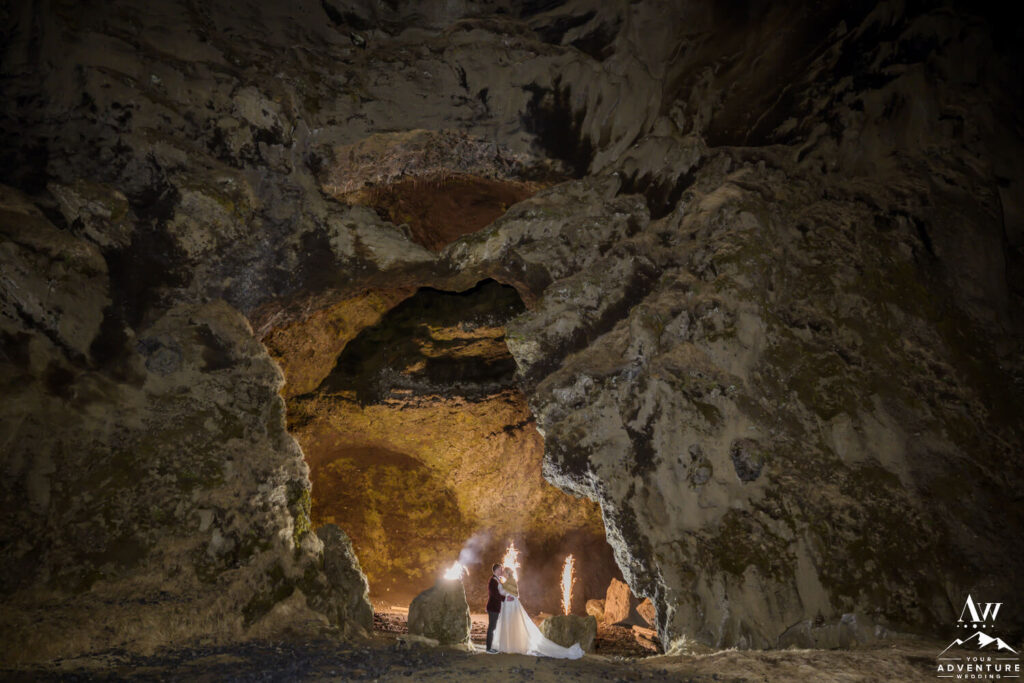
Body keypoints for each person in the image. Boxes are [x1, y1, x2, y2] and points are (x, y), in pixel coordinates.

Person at [492, 566, 584, 658]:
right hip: (508, 604)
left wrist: (510, 596)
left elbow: (516, 593)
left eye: (504, 572)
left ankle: (511, 646)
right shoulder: (507, 580)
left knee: (512, 623)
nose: (502, 573)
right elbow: (508, 591)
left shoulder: (511, 580)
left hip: (511, 604)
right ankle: (508, 645)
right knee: (509, 623)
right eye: (502, 571)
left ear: (507, 573)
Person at [485, 563, 504, 653]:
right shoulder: (492, 581)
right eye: (500, 569)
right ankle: (488, 648)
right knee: (491, 627)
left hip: (496, 607)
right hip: (493, 607)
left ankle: (490, 647)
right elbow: (495, 594)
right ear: (496, 570)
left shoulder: (497, 580)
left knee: (493, 627)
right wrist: (505, 598)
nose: (501, 571)